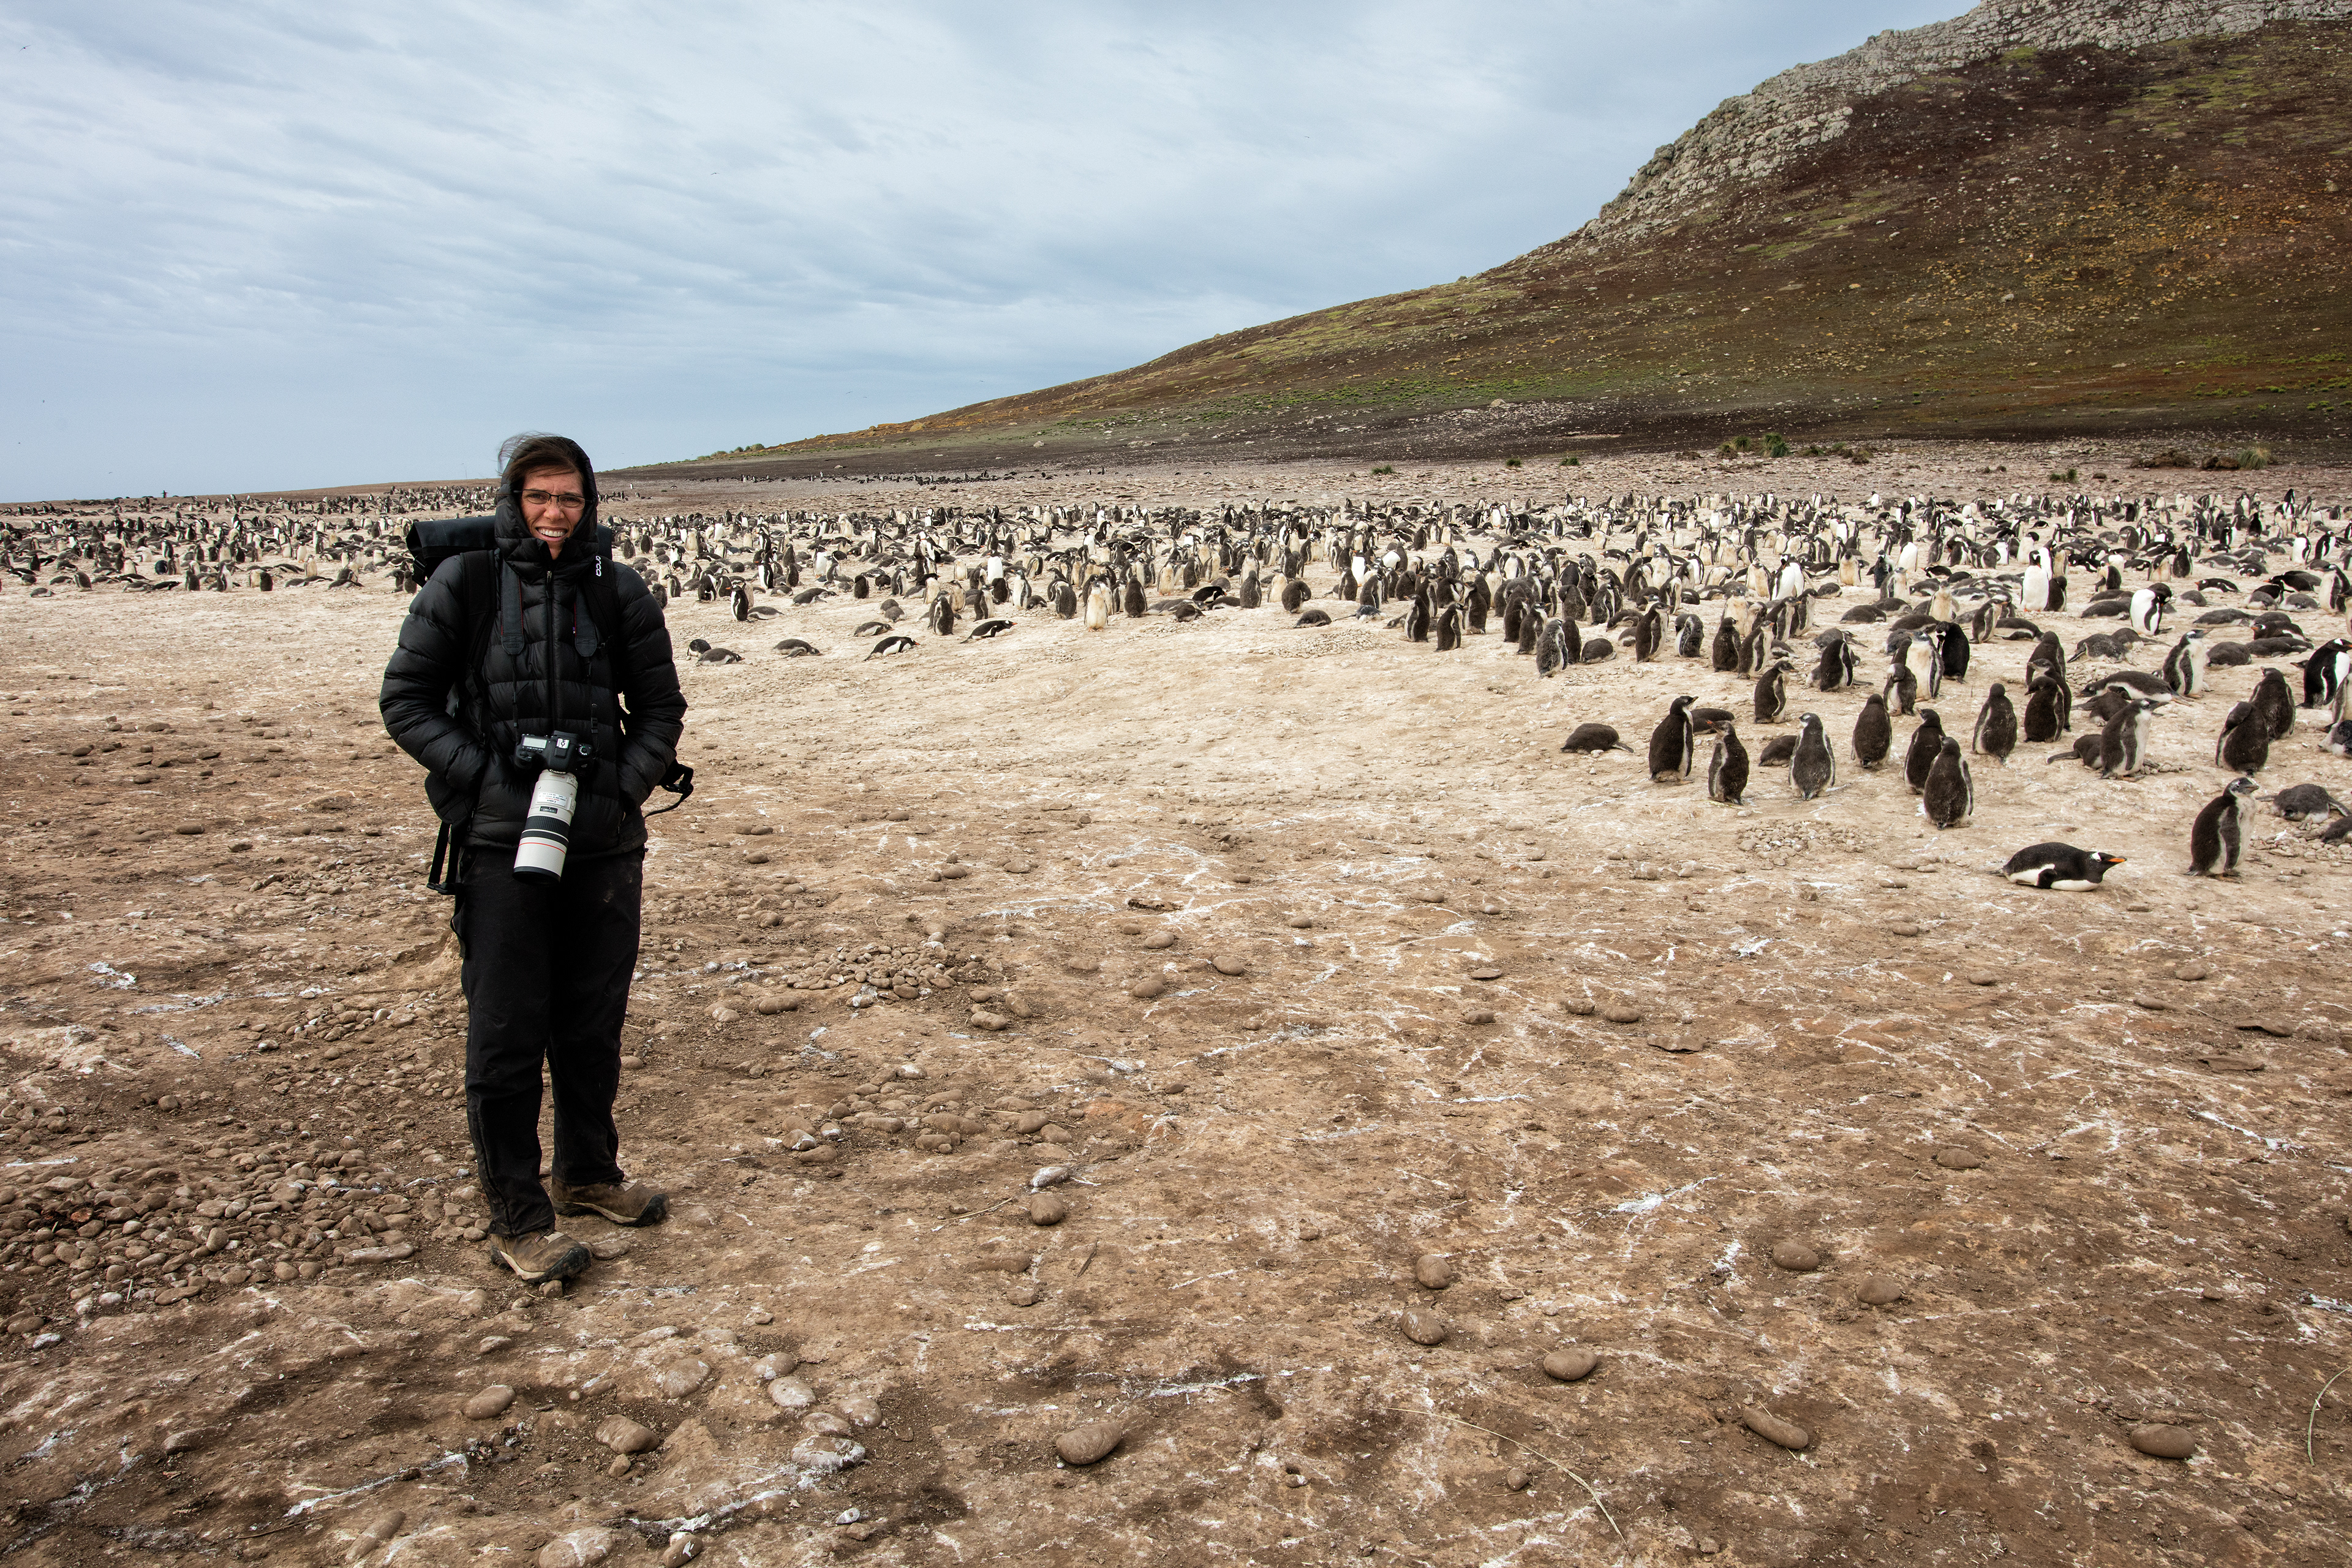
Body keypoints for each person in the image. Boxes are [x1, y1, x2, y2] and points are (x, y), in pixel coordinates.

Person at [380, 433, 688, 1284]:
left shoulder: (616, 588)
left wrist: (619, 789)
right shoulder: (466, 583)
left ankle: (588, 1174)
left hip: (603, 844)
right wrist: (488, 781)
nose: (556, 515)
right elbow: (403, 701)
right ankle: (518, 1212)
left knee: (591, 1021)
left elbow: (661, 706)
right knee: (508, 1028)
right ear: (512, 500)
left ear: (590, 505)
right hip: (497, 842)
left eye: (571, 500)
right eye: (540, 497)